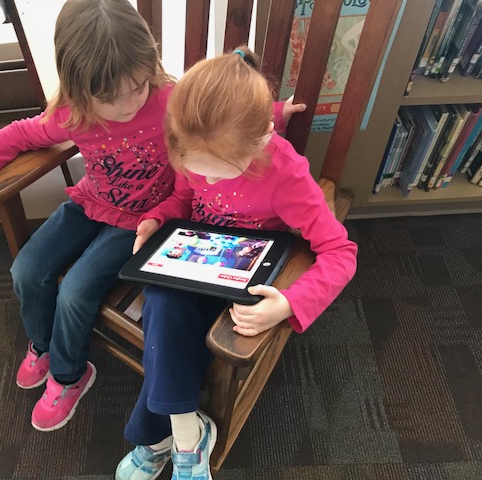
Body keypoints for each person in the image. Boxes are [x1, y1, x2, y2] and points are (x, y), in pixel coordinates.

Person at [0, 0, 304, 433]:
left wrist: (273, 116)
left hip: (144, 221)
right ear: (79, 88)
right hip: (90, 203)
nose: (128, 103)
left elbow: (221, 117)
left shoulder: (170, 100)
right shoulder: (73, 112)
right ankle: (42, 345)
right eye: (111, 97)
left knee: (76, 292)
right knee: (25, 268)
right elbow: (20, 133)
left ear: (150, 65)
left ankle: (69, 375)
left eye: (138, 86)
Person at [115, 46, 357, 480]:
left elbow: (341, 253)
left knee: (162, 319)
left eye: (217, 172)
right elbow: (183, 198)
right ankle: (189, 437)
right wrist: (159, 218)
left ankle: (156, 436)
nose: (204, 180)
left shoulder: (287, 175)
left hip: (246, 282)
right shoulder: (196, 148)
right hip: (195, 261)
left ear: (261, 139)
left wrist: (288, 303)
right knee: (161, 301)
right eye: (195, 168)